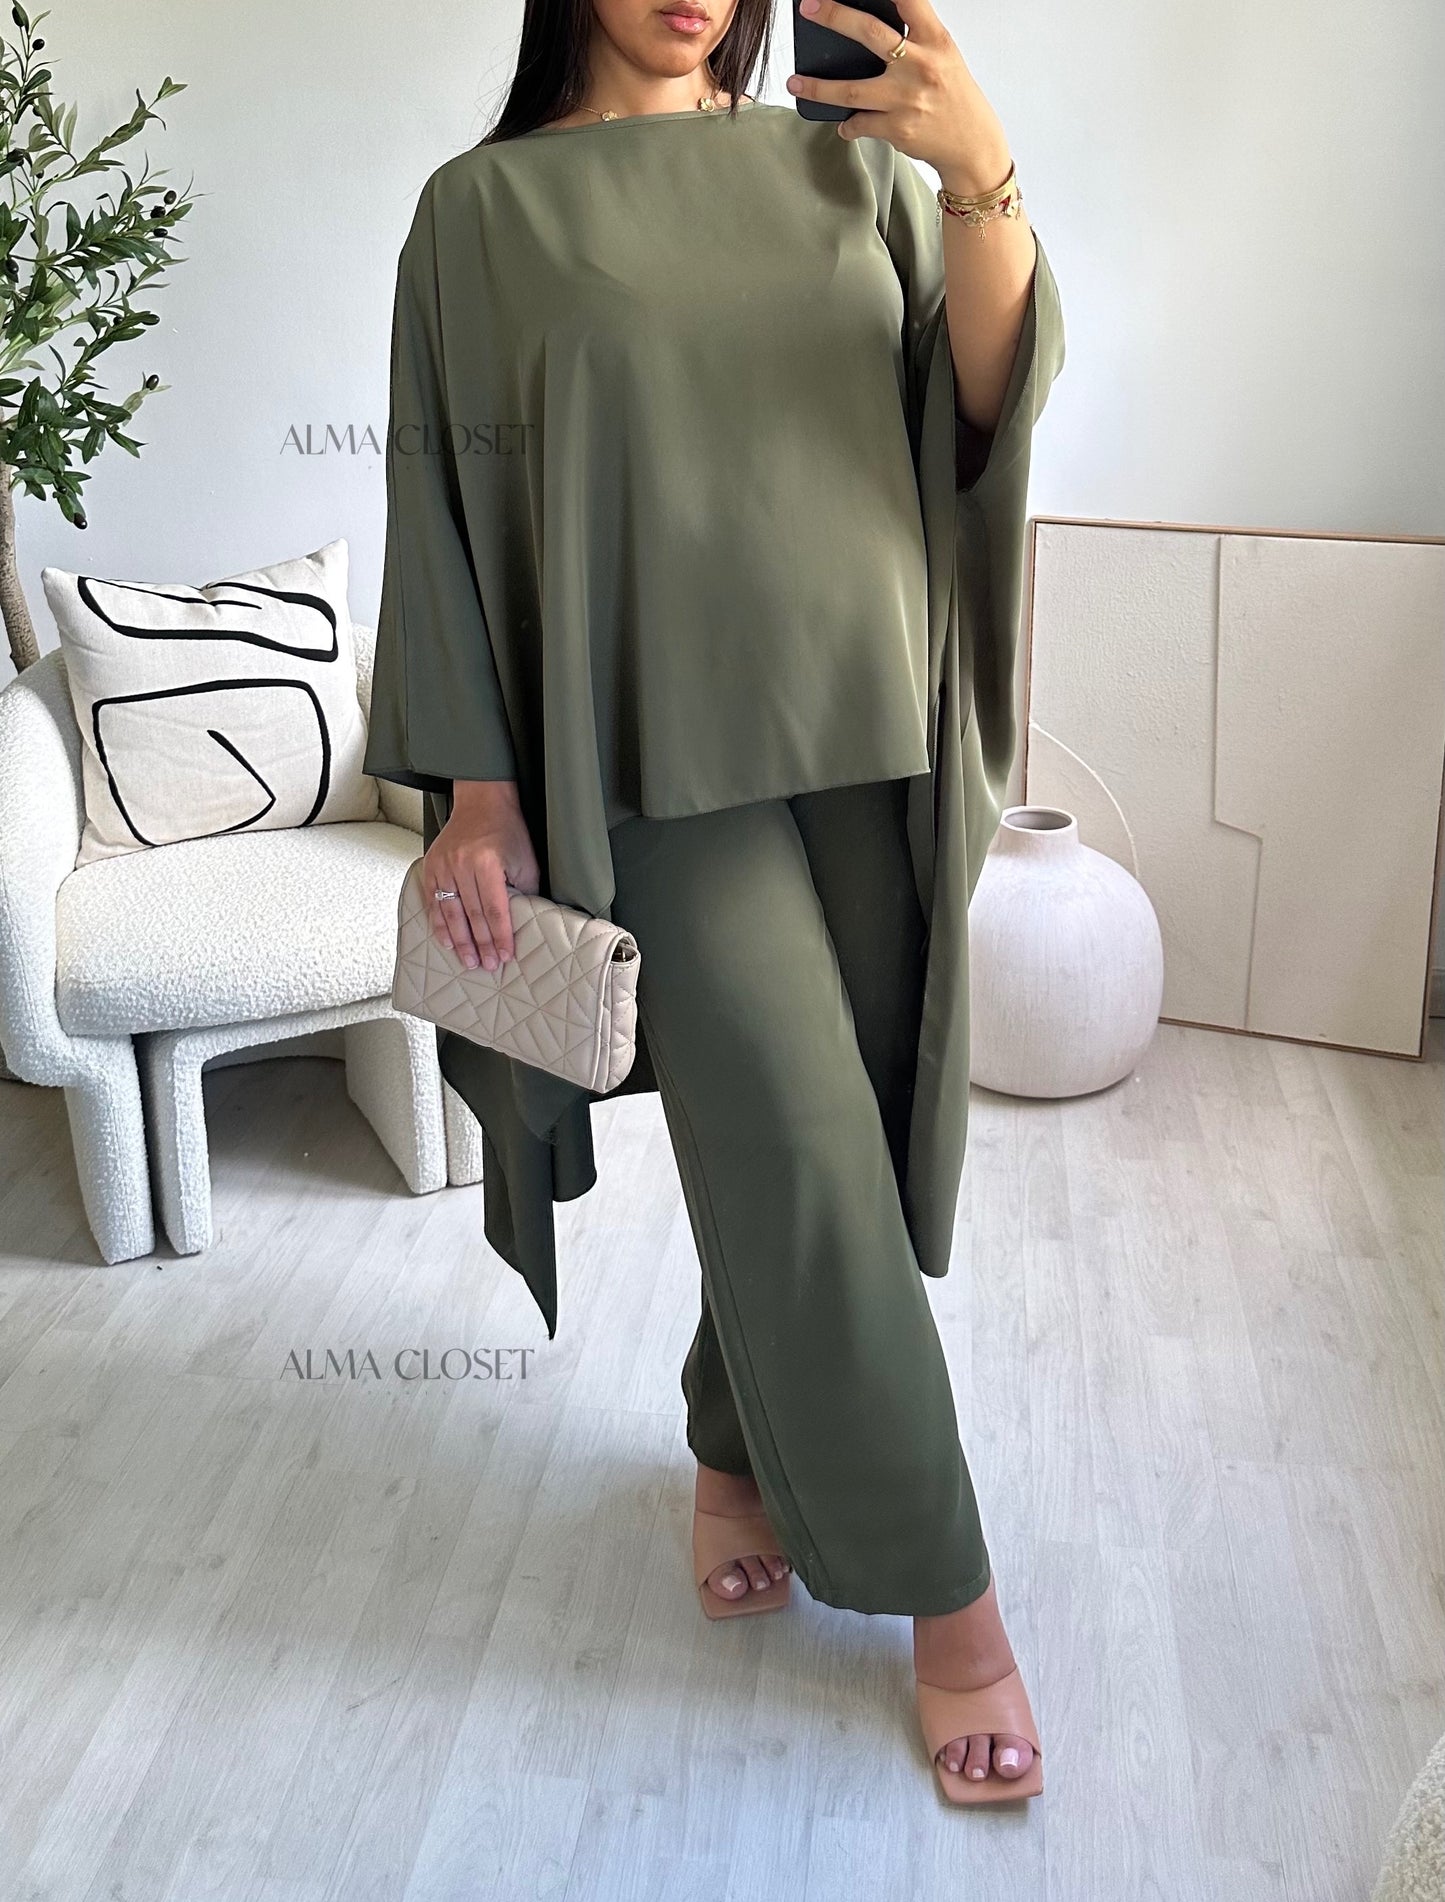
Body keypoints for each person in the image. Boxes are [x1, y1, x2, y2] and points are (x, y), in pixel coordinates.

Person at [364, 0, 1064, 1804]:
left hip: (876, 725)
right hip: (650, 758)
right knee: (807, 1154)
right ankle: (953, 1604)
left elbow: (982, 411)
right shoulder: (480, 214)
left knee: (851, 1143)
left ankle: (730, 1444)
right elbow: (440, 504)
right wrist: (479, 794)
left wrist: (979, 174)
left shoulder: (856, 168)